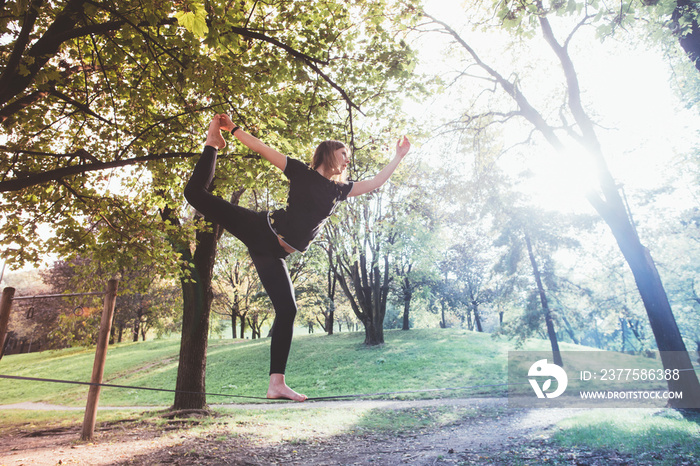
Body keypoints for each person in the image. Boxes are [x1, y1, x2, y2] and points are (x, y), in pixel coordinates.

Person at [185, 114, 410, 401]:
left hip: (274, 252)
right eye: (344, 155)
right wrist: (235, 129)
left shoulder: (339, 190)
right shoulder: (301, 172)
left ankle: (276, 384)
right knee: (194, 193)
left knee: (288, 310)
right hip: (261, 230)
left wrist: (398, 156)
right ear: (329, 153)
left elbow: (376, 182)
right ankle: (212, 144)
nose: (347, 161)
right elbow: (262, 148)